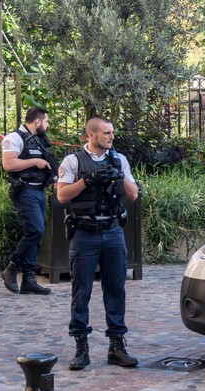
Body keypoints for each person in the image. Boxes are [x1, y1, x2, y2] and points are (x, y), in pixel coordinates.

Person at [56, 117, 141, 371]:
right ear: (91, 136)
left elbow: (133, 194)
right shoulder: (73, 161)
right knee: (81, 291)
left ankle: (117, 346)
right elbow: (61, 196)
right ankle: (81, 347)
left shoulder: (119, 159)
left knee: (116, 289)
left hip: (113, 231)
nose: (112, 137)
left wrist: (118, 175)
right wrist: (88, 180)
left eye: (112, 132)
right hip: (85, 233)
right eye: (106, 133)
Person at [0, 107, 54, 295]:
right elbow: (8, 164)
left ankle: (29, 279)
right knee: (35, 230)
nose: (47, 125)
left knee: (37, 233)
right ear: (37, 122)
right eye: (46, 121)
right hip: (24, 190)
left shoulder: (39, 140)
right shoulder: (14, 138)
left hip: (39, 191)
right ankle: (12, 267)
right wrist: (34, 162)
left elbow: (45, 164)